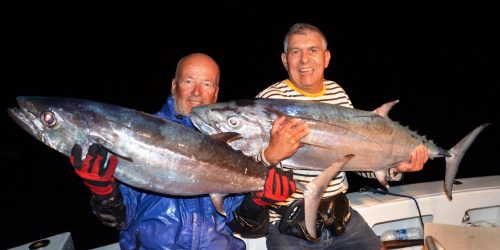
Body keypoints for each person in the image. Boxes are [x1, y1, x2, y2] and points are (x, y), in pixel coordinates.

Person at [69, 53, 295, 249]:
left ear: (215, 94)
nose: (197, 92)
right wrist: (104, 192)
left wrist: (258, 201)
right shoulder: (137, 135)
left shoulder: (231, 143)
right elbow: (120, 219)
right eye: (189, 81)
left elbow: (243, 224)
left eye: (206, 84)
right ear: (174, 86)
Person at [254, 23, 429, 250]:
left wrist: (395, 169)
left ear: (326, 58)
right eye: (296, 52)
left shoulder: (337, 93)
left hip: (340, 219)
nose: (304, 59)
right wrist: (270, 154)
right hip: (290, 226)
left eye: (312, 50)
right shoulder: (269, 100)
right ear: (285, 60)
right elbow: (249, 166)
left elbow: (353, 157)